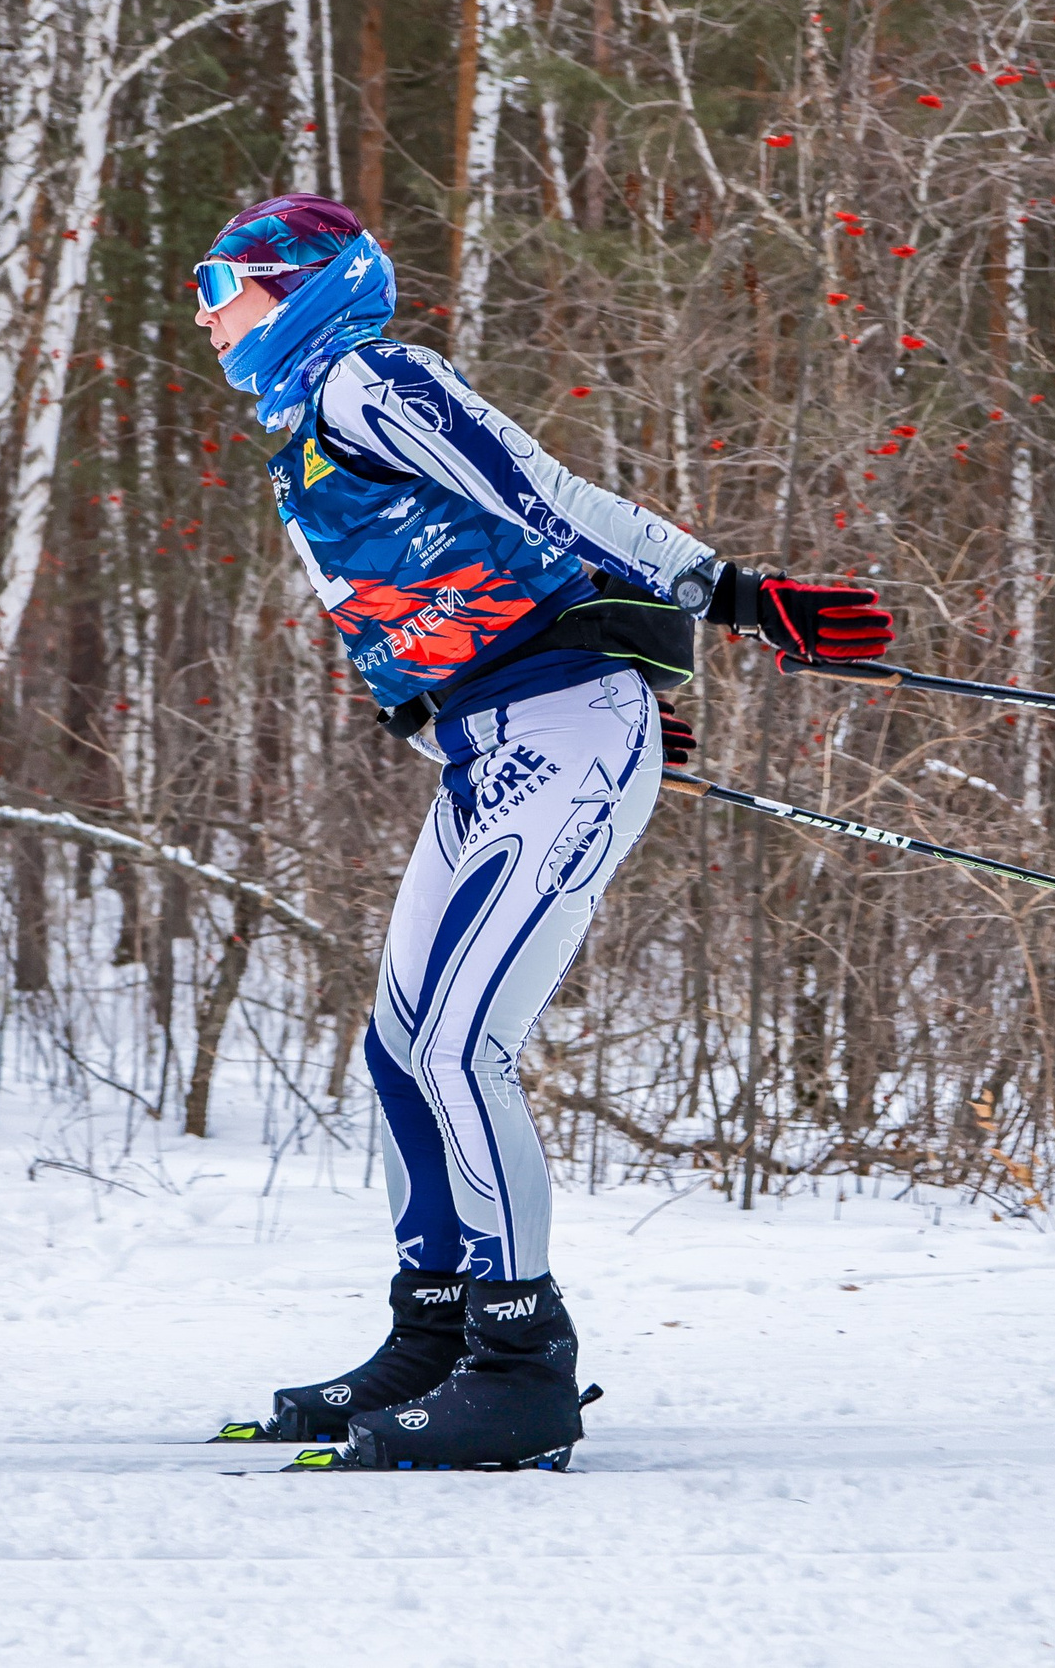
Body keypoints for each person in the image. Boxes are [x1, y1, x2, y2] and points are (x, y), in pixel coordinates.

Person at [195, 195, 895, 1471]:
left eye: (218, 283)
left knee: (463, 1050)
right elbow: (476, 581)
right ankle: (434, 1339)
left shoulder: (369, 380)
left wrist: (727, 594)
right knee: (400, 1050)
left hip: (561, 736)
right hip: (490, 749)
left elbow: (541, 494)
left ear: (295, 286)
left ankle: (522, 1370)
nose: (204, 315)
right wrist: (606, 648)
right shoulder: (308, 419)